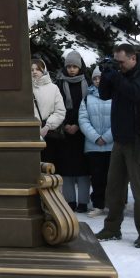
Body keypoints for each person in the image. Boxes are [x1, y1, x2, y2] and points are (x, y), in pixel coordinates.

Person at [95, 44, 140, 248]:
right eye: (116, 61)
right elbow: (104, 95)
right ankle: (112, 228)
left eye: (121, 62)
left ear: (133, 58)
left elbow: (135, 92)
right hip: (120, 140)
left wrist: (116, 77)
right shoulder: (121, 73)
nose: (118, 65)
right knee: (114, 187)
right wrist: (106, 74)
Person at [56, 51, 90, 213]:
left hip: (82, 132)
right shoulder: (59, 84)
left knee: (83, 169)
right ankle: (70, 201)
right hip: (65, 133)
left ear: (80, 67)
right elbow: (56, 106)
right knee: (67, 169)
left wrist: (78, 124)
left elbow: (88, 106)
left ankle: (83, 201)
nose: (71, 70)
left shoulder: (87, 83)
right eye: (69, 66)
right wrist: (65, 125)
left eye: (75, 66)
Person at [78, 67, 113, 218]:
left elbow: (119, 119)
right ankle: (98, 204)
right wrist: (96, 137)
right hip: (93, 145)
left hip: (111, 144)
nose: (98, 81)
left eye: (101, 78)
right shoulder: (87, 98)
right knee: (97, 177)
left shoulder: (115, 96)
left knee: (113, 177)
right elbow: (83, 120)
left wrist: (106, 137)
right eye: (95, 79)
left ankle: (113, 204)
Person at [32, 59, 66, 155]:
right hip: (29, 135)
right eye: (32, 69)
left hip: (48, 135)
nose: (34, 72)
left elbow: (60, 111)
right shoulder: (25, 89)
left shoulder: (53, 88)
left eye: (38, 69)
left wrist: (47, 126)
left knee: (47, 165)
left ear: (44, 70)